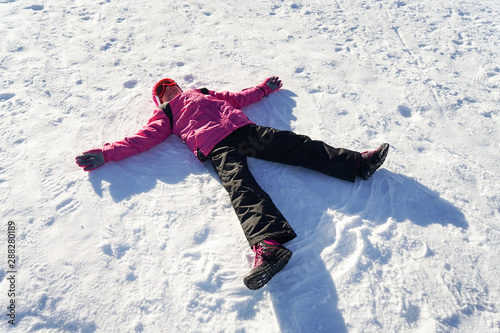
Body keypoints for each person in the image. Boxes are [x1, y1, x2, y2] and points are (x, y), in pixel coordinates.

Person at [76, 76, 389, 290]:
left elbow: (239, 97)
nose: (170, 91)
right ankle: (268, 246)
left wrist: (264, 89)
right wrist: (107, 153)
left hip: (245, 133)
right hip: (217, 147)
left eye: (171, 86)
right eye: (163, 91)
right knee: (241, 188)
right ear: (159, 100)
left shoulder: (203, 92)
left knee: (297, 145)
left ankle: (357, 163)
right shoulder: (167, 115)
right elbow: (141, 139)